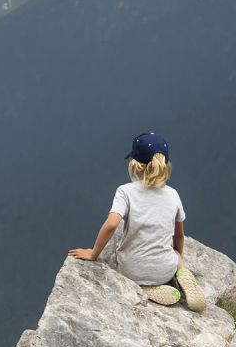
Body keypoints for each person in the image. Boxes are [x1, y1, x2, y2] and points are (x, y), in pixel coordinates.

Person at [68, 132, 207, 311]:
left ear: (135, 165)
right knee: (176, 255)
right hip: (165, 270)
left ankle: (146, 289)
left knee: (125, 259)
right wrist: (176, 260)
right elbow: (179, 236)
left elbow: (111, 225)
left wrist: (94, 253)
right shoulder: (173, 195)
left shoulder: (125, 192)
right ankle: (182, 275)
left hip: (131, 270)